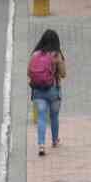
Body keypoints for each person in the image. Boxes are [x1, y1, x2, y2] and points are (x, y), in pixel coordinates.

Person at [28, 29, 66, 157]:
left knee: (41, 118)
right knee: (54, 116)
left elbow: (29, 73)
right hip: (53, 90)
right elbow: (63, 74)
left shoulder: (35, 54)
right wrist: (58, 62)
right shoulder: (56, 55)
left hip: (38, 90)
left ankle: (41, 145)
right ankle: (55, 140)